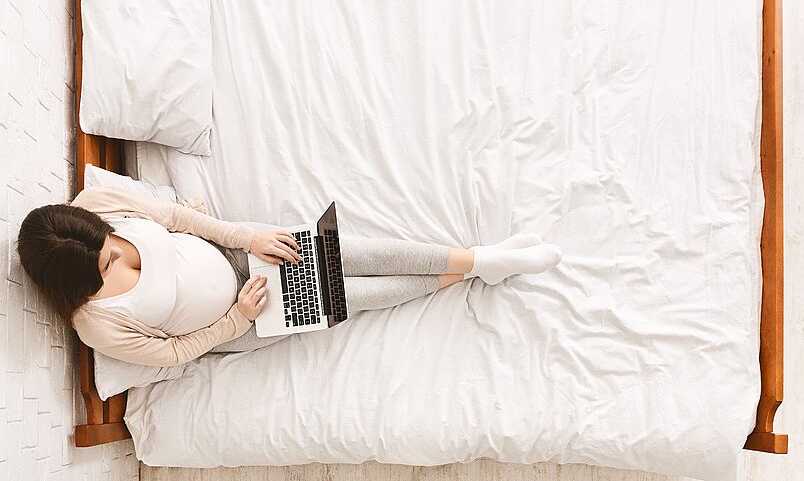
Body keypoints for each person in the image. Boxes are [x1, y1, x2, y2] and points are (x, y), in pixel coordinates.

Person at [16, 185, 561, 367]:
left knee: (350, 254)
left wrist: (245, 237)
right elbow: (175, 354)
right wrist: (237, 318)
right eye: (109, 265)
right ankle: (480, 267)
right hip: (247, 320)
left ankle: (481, 260)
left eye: (112, 240)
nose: (119, 251)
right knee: (350, 294)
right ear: (77, 284)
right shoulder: (97, 324)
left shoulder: (97, 206)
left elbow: (176, 219)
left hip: (235, 254)